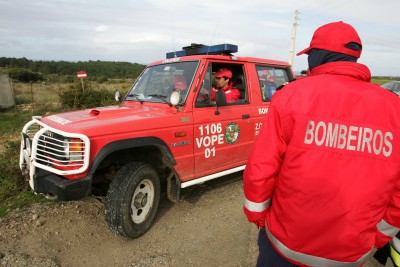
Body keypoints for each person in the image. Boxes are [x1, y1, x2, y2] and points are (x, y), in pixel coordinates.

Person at [243, 21, 400, 267]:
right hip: (350, 255)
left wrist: (257, 213)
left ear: (319, 55)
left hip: (285, 247)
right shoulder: (394, 108)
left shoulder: (291, 96)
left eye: (310, 55)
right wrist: (379, 235)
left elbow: (262, 166)